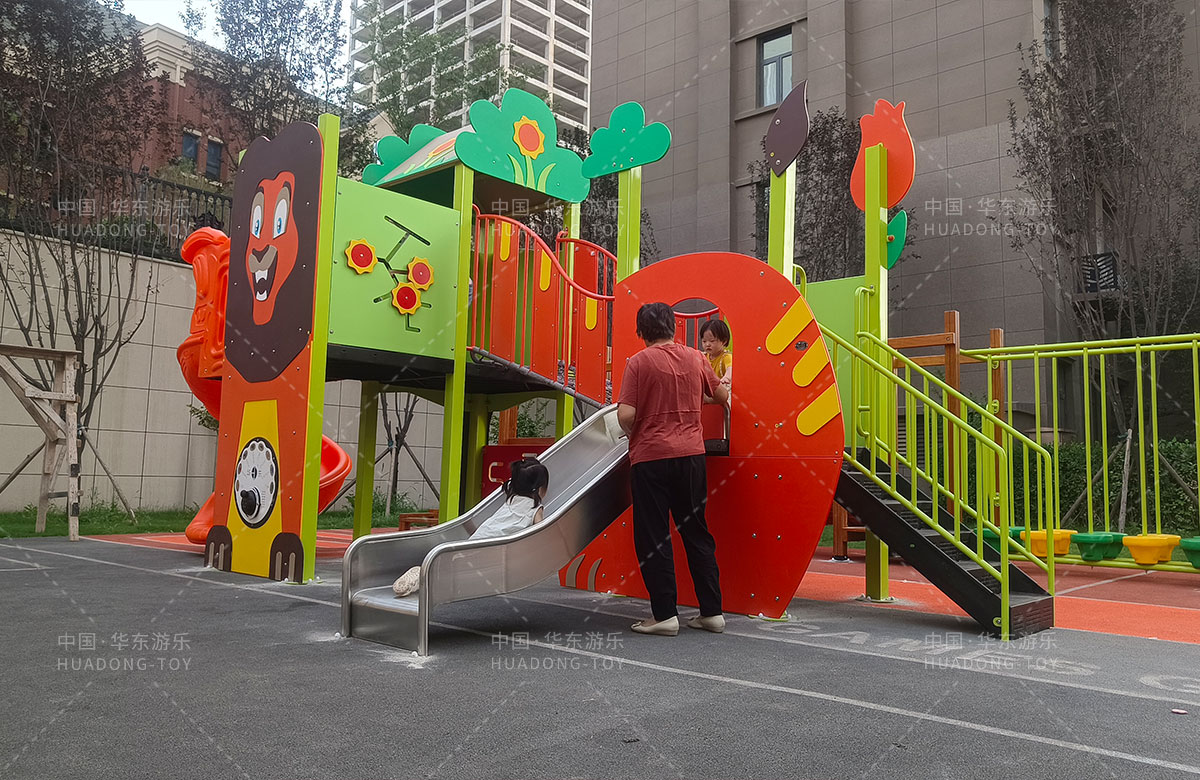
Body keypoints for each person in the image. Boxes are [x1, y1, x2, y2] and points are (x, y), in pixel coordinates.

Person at [616, 302, 729, 636]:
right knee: (696, 531)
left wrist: (634, 432)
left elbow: (625, 414)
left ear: (641, 331)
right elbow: (721, 395)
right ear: (673, 327)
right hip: (692, 457)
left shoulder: (638, 362)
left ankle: (665, 615)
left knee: (654, 535)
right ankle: (712, 612)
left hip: (651, 457)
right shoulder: (696, 358)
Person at [392, 458, 550, 597]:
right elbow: (541, 530)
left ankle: (424, 572)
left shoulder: (511, 499)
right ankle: (426, 575)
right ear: (540, 489)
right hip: (496, 545)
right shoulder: (535, 507)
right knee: (463, 568)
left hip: (483, 534)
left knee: (461, 559)